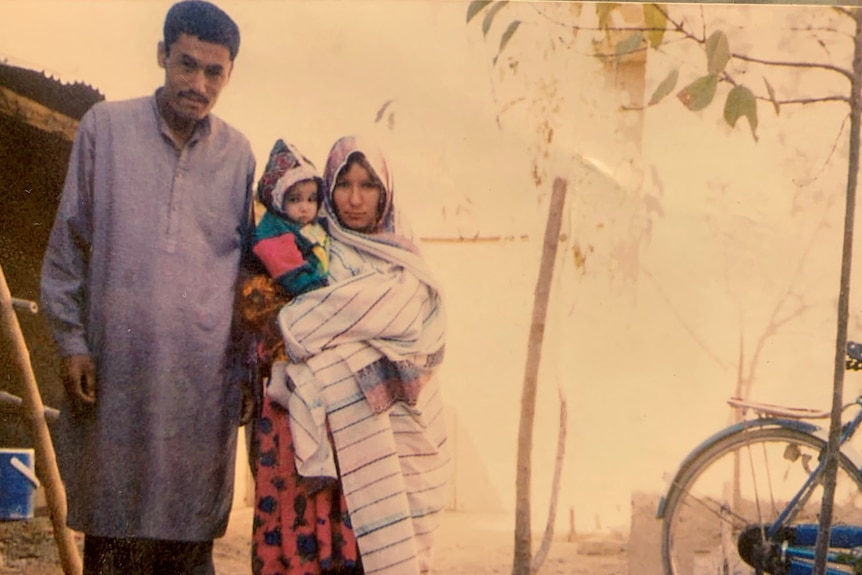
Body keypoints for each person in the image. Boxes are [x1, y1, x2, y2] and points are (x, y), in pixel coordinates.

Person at [39, 2, 255, 573]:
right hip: (117, 381)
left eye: (215, 73)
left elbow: (247, 281)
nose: (199, 84)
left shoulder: (239, 157)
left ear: (230, 74)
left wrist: (244, 370)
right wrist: (72, 342)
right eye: (187, 65)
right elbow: (68, 246)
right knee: (114, 539)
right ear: (161, 56)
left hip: (200, 392)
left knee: (189, 544)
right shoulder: (104, 130)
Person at [246, 135, 450, 575]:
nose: (355, 200)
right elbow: (268, 325)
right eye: (344, 185)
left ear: (386, 191)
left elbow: (415, 334)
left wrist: (318, 331)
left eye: (369, 185)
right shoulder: (310, 248)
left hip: (387, 439)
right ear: (328, 190)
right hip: (308, 436)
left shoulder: (407, 263)